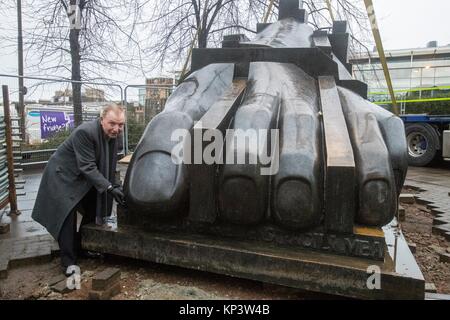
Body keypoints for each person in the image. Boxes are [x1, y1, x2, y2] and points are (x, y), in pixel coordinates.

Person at [32, 103, 126, 276]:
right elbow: (88, 166)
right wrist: (110, 187)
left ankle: (82, 247)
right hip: (62, 175)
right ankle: (68, 262)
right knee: (66, 216)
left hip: (82, 177)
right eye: (112, 123)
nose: (116, 129)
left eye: (120, 125)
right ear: (102, 119)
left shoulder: (114, 136)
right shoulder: (85, 132)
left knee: (93, 207)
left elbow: (111, 164)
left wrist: (116, 185)